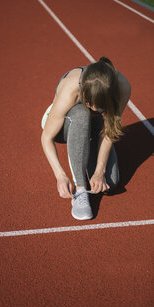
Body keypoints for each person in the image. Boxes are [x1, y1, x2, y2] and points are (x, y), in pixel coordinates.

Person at [41, 57, 131, 220]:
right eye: (90, 104)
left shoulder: (122, 87)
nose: (95, 109)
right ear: (84, 94)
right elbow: (46, 138)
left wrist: (100, 171)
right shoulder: (71, 89)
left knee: (110, 184)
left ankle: (89, 147)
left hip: (94, 125)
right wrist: (60, 175)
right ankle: (81, 190)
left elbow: (109, 128)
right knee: (82, 114)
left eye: (101, 107)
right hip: (64, 123)